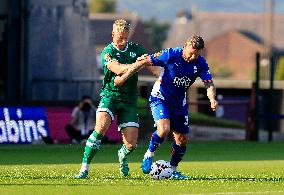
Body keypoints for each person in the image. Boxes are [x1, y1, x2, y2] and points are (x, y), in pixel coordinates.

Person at [114, 35, 218, 180]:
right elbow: (143, 62)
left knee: (182, 140)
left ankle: (174, 170)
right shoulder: (171, 54)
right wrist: (123, 77)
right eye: (191, 53)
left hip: (179, 103)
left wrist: (212, 98)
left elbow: (209, 83)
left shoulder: (200, 63)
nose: (192, 56)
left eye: (196, 54)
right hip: (160, 97)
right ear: (186, 46)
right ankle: (148, 155)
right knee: (163, 129)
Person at [75, 19, 148, 178]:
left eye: (126, 38)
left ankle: (122, 155)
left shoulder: (136, 49)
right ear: (113, 34)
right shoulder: (107, 52)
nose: (123, 42)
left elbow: (152, 64)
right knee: (100, 127)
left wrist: (159, 75)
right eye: (120, 37)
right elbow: (118, 69)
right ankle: (84, 169)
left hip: (129, 100)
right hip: (110, 95)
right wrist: (136, 65)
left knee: (131, 144)